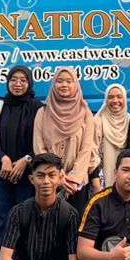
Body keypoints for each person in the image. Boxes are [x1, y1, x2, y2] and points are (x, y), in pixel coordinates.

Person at [0, 66, 43, 260]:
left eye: (23, 80)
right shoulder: (0, 108)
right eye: (14, 80)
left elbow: (43, 142)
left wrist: (26, 160)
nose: (18, 84)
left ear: (30, 83)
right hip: (3, 176)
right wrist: (4, 158)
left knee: (26, 223)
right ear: (7, 82)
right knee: (0, 222)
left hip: (28, 177)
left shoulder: (38, 108)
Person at [33, 67, 98, 211]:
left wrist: (73, 178)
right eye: (59, 81)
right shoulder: (43, 113)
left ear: (76, 85)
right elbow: (39, 148)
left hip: (76, 184)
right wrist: (56, 175)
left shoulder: (85, 113)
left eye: (69, 81)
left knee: (76, 221)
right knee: (48, 221)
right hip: (48, 181)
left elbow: (86, 149)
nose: (64, 85)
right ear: (53, 84)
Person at [95, 84, 130, 191]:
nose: (115, 101)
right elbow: (93, 153)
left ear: (125, 99)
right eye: (110, 97)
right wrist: (96, 183)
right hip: (103, 181)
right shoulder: (98, 121)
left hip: (128, 181)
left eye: (119, 97)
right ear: (106, 100)